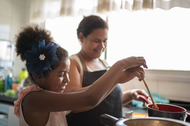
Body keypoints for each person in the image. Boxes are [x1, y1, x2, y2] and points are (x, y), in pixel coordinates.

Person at [13, 24, 148, 126]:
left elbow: (92, 96)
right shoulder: (35, 99)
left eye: (67, 73)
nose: (67, 79)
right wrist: (120, 65)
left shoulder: (51, 95)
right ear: (39, 75)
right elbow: (89, 98)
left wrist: (118, 80)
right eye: (61, 74)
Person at [64, 15, 150, 126]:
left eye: (105, 41)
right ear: (81, 37)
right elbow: (75, 105)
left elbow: (106, 100)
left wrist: (130, 95)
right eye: (96, 41)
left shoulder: (104, 63)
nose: (102, 46)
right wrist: (117, 78)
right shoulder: (73, 62)